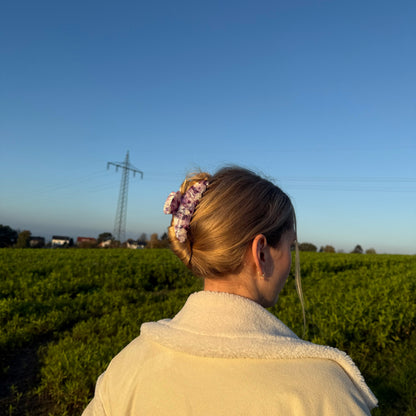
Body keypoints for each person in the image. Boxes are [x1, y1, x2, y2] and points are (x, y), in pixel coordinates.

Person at [82, 166, 377, 415]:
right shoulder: (325, 392)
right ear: (261, 252)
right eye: (289, 246)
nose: (290, 261)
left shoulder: (126, 367)